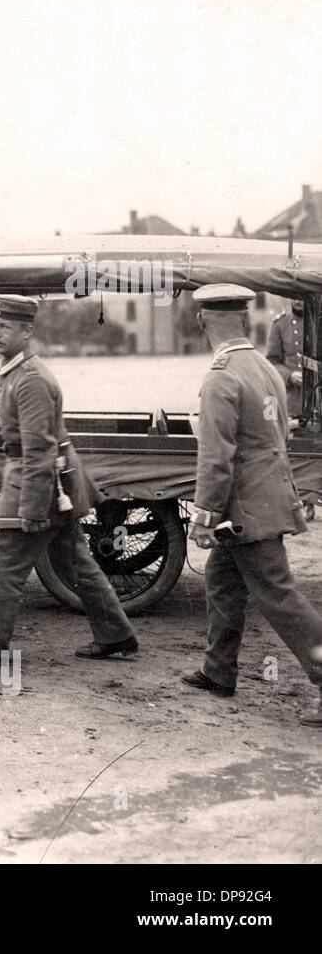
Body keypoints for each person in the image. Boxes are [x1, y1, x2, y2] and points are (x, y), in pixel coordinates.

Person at [180, 284, 322, 727]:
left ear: (203, 320)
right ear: (244, 319)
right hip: (268, 496)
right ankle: (218, 670)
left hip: (245, 511)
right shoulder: (262, 366)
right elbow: (276, 435)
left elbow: (217, 457)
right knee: (222, 583)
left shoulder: (222, 375)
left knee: (279, 596)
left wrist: (204, 517)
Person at [0, 295, 138, 659]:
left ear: (27, 331)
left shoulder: (30, 379)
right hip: (48, 481)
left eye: (5, 327)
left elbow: (38, 449)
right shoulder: (16, 370)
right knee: (74, 562)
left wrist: (31, 508)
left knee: (3, 564)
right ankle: (116, 635)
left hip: (40, 484)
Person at [265, 299, 305, 421]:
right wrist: (290, 375)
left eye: (301, 296)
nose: (297, 300)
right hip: (293, 401)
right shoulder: (280, 324)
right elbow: (272, 362)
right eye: (293, 296)